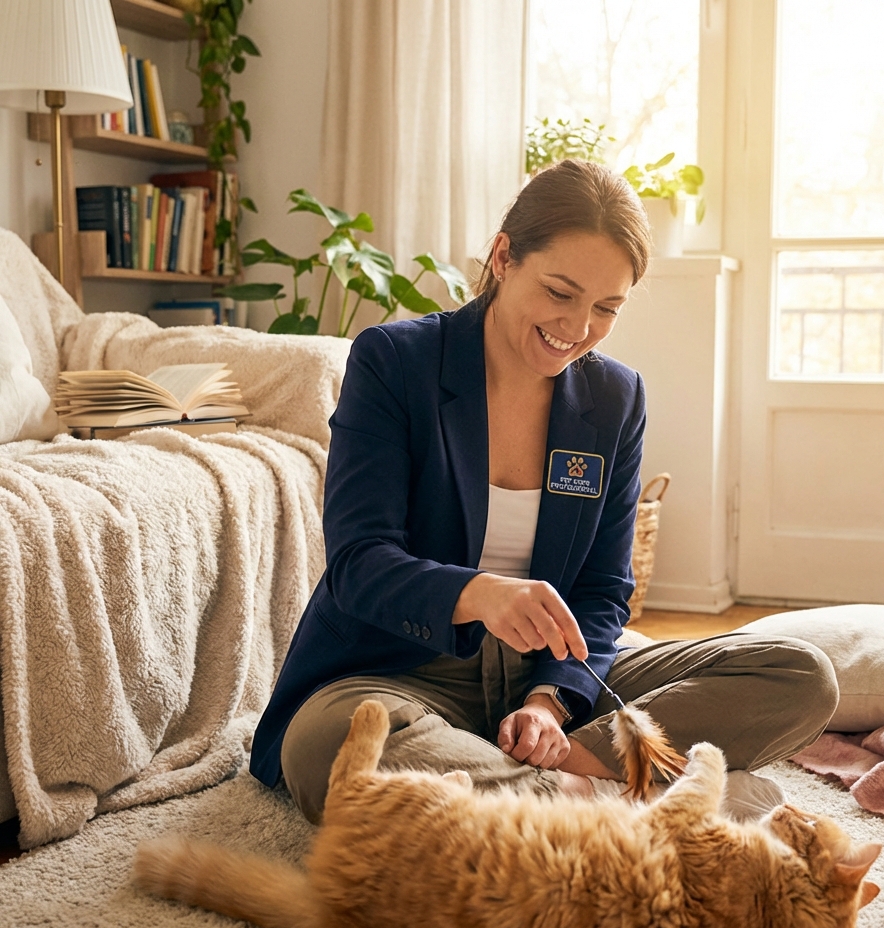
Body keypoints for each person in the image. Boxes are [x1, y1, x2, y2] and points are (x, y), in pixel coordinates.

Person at [249, 159, 839, 822]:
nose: (579, 326)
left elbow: (603, 590)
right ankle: (611, 801)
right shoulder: (395, 361)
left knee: (800, 676)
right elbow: (360, 561)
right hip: (401, 672)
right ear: (504, 257)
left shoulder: (615, 398)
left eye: (607, 307)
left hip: (545, 673)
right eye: (560, 292)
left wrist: (550, 702)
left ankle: (557, 785)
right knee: (330, 746)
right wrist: (480, 594)